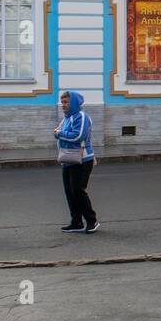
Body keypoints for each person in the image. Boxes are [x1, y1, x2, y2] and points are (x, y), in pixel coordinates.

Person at [55, 90, 100, 233]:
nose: (63, 105)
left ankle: (92, 221)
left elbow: (78, 136)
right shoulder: (66, 118)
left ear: (74, 102)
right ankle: (76, 222)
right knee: (70, 192)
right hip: (68, 159)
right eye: (62, 102)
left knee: (78, 191)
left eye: (66, 102)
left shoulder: (81, 116)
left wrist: (59, 134)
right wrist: (59, 133)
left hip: (82, 160)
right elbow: (62, 133)